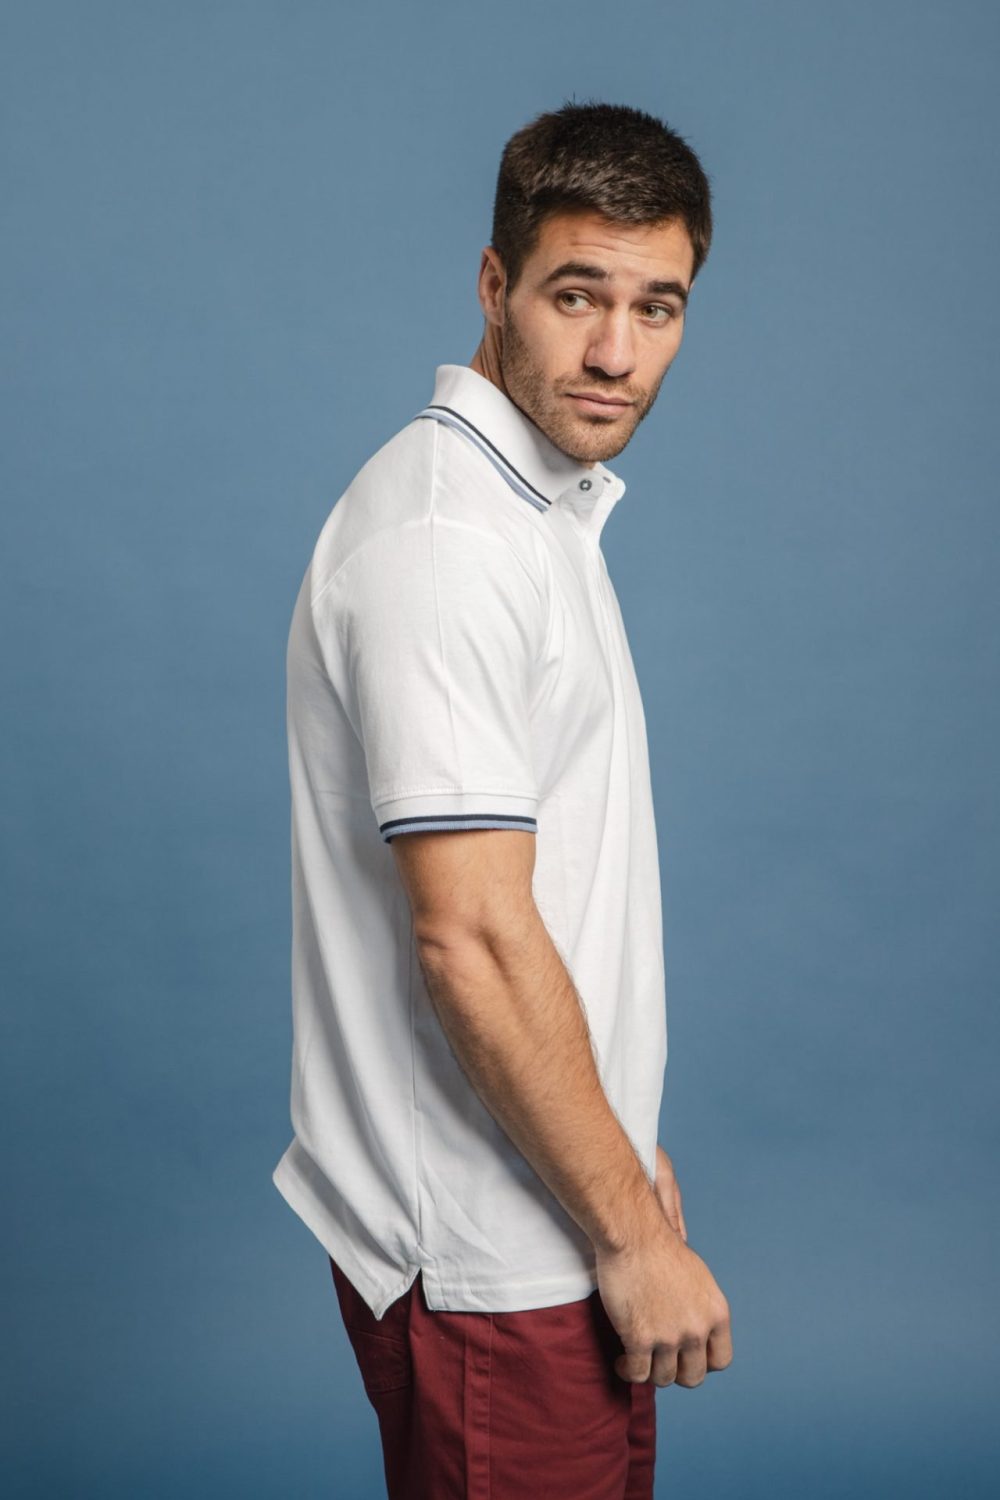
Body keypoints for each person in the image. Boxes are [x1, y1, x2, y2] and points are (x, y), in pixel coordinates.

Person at [272, 99, 733, 1498]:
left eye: (658, 307)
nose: (617, 353)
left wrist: (613, 1143)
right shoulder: (448, 545)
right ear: (493, 283)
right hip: (495, 1263)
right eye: (576, 295)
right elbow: (468, 937)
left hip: (555, 1209)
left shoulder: (534, 508)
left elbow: (550, 895)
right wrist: (631, 1235)